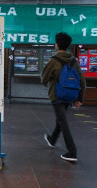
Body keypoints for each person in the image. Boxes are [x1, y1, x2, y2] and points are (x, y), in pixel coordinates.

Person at [41, 32, 86, 162]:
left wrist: (51, 80)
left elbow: (43, 79)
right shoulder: (74, 61)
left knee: (63, 122)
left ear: (57, 44)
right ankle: (52, 139)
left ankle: (72, 152)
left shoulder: (54, 60)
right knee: (60, 119)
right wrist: (79, 99)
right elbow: (82, 81)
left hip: (57, 94)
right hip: (70, 95)